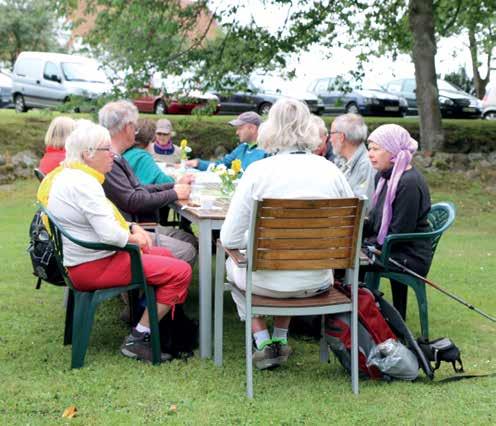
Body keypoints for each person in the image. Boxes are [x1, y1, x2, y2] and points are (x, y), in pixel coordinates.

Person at [39, 121, 192, 363]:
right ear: (88, 154)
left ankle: (156, 326)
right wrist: (136, 237)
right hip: (92, 265)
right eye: (106, 149)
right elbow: (111, 235)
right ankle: (138, 337)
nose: (112, 155)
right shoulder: (84, 185)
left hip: (84, 260)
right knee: (181, 271)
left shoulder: (73, 175)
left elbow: (107, 219)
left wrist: (132, 227)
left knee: (166, 255)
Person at [220, 98, 354, 370]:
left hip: (265, 283)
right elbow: (348, 233)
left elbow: (230, 239)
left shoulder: (259, 171)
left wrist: (258, 241)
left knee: (230, 264)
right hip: (317, 279)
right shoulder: (332, 171)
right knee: (294, 263)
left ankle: (262, 340)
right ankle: (279, 339)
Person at [98, 100, 197, 266]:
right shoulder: (109, 160)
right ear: (128, 127)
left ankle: (158, 283)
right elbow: (133, 200)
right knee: (188, 249)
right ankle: (151, 286)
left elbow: (138, 189)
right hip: (129, 232)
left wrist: (172, 187)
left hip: (128, 227)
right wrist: (173, 193)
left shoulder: (115, 156)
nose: (136, 132)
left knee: (188, 239)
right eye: (134, 127)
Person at [362, 123, 433, 320]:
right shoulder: (384, 177)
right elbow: (377, 219)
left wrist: (368, 247)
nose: (370, 154)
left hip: (408, 254)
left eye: (376, 149)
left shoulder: (408, 183)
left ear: (393, 150)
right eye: (369, 149)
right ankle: (365, 309)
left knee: (353, 263)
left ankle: (363, 312)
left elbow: (400, 231)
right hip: (393, 247)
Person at [185, 111, 267, 171]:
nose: (237, 132)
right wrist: (197, 163)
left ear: (252, 128)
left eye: (240, 128)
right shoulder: (242, 147)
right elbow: (222, 165)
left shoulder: (267, 151)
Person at [329, 113, 375, 202]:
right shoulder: (340, 161)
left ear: (342, 137)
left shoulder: (367, 165)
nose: (330, 139)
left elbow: (363, 206)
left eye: (331, 133)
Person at [123, 119, 175, 185]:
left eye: (165, 134)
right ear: (150, 140)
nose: (161, 137)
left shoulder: (127, 152)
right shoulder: (143, 157)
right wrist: (179, 180)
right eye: (159, 134)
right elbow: (166, 182)